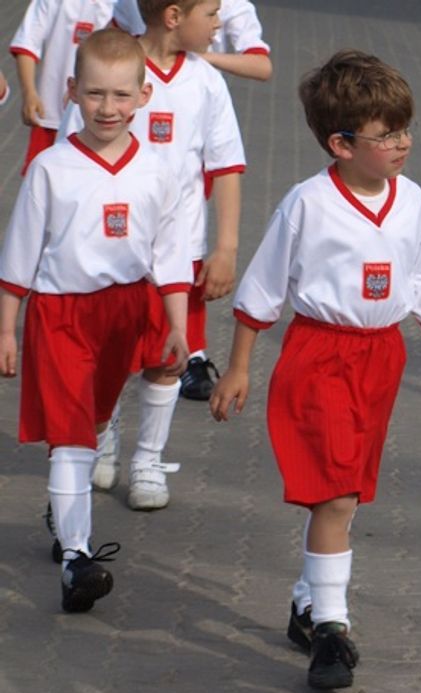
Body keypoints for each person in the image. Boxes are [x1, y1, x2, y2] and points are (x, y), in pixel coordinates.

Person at [208, 49, 421, 691]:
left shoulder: (411, 201)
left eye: (404, 130)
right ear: (340, 144)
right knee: (333, 491)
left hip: (380, 357)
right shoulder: (309, 204)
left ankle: (308, 603)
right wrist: (239, 367)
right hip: (320, 355)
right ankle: (332, 630)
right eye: (386, 135)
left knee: (348, 495)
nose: (402, 144)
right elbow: (263, 289)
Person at [0, 28, 190, 612]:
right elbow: (19, 253)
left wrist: (178, 325)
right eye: (95, 94)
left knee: (98, 414)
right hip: (60, 313)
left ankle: (66, 509)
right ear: (72, 91)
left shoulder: (160, 171)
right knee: (72, 432)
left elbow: (171, 253)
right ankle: (78, 558)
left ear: (142, 97)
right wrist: (7, 327)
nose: (108, 108)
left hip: (127, 309)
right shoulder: (52, 168)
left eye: (120, 95)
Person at [55, 0, 246, 508]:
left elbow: (226, 166)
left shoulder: (206, 82)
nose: (219, 23)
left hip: (178, 254)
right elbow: (64, 161)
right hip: (107, 254)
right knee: (107, 357)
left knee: (166, 360)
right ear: (174, 16)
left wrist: (225, 246)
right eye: (211, 12)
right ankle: (103, 436)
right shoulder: (112, 68)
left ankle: (148, 459)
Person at [9, 0, 115, 175]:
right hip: (52, 117)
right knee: (41, 183)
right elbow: (27, 43)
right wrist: (29, 93)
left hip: (106, 122)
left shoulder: (124, 4)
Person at [111, 0, 272, 82]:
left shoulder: (232, 4)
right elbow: (111, 41)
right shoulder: (131, 2)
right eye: (211, 15)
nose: (217, 22)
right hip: (138, 88)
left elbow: (261, 67)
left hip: (197, 91)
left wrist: (199, 57)